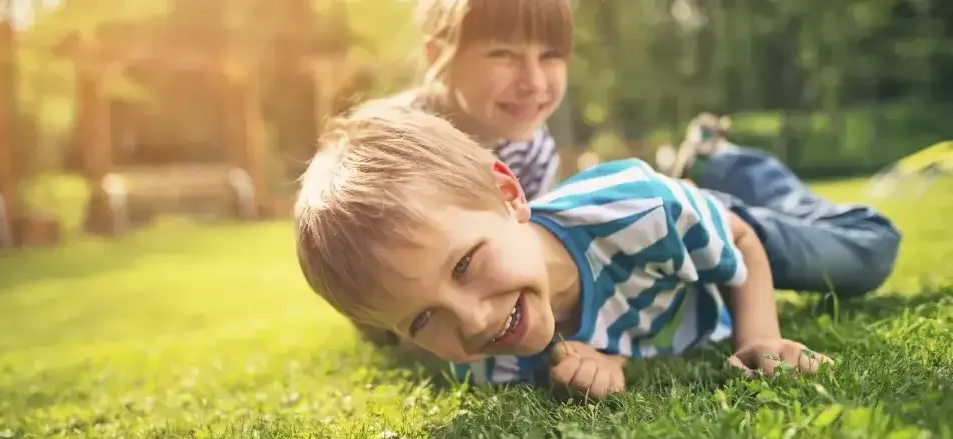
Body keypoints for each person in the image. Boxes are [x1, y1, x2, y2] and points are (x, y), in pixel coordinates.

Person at [293, 104, 835, 400]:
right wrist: (603, 363)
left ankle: (720, 160)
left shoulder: (640, 211)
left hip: (711, 220)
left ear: (509, 195)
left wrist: (759, 337)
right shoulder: (487, 365)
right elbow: (620, 337)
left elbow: (739, 240)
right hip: (677, 251)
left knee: (867, 255)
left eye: (463, 264)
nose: (476, 319)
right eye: (423, 319)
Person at [345, 0, 574, 347]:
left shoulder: (533, 150)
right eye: (503, 54)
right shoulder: (396, 139)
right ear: (439, 55)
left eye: (550, 55)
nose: (534, 81)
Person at [660, 113, 902, 297]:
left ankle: (710, 156)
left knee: (871, 237)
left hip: (691, 207)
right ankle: (713, 154)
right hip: (691, 208)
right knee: (872, 235)